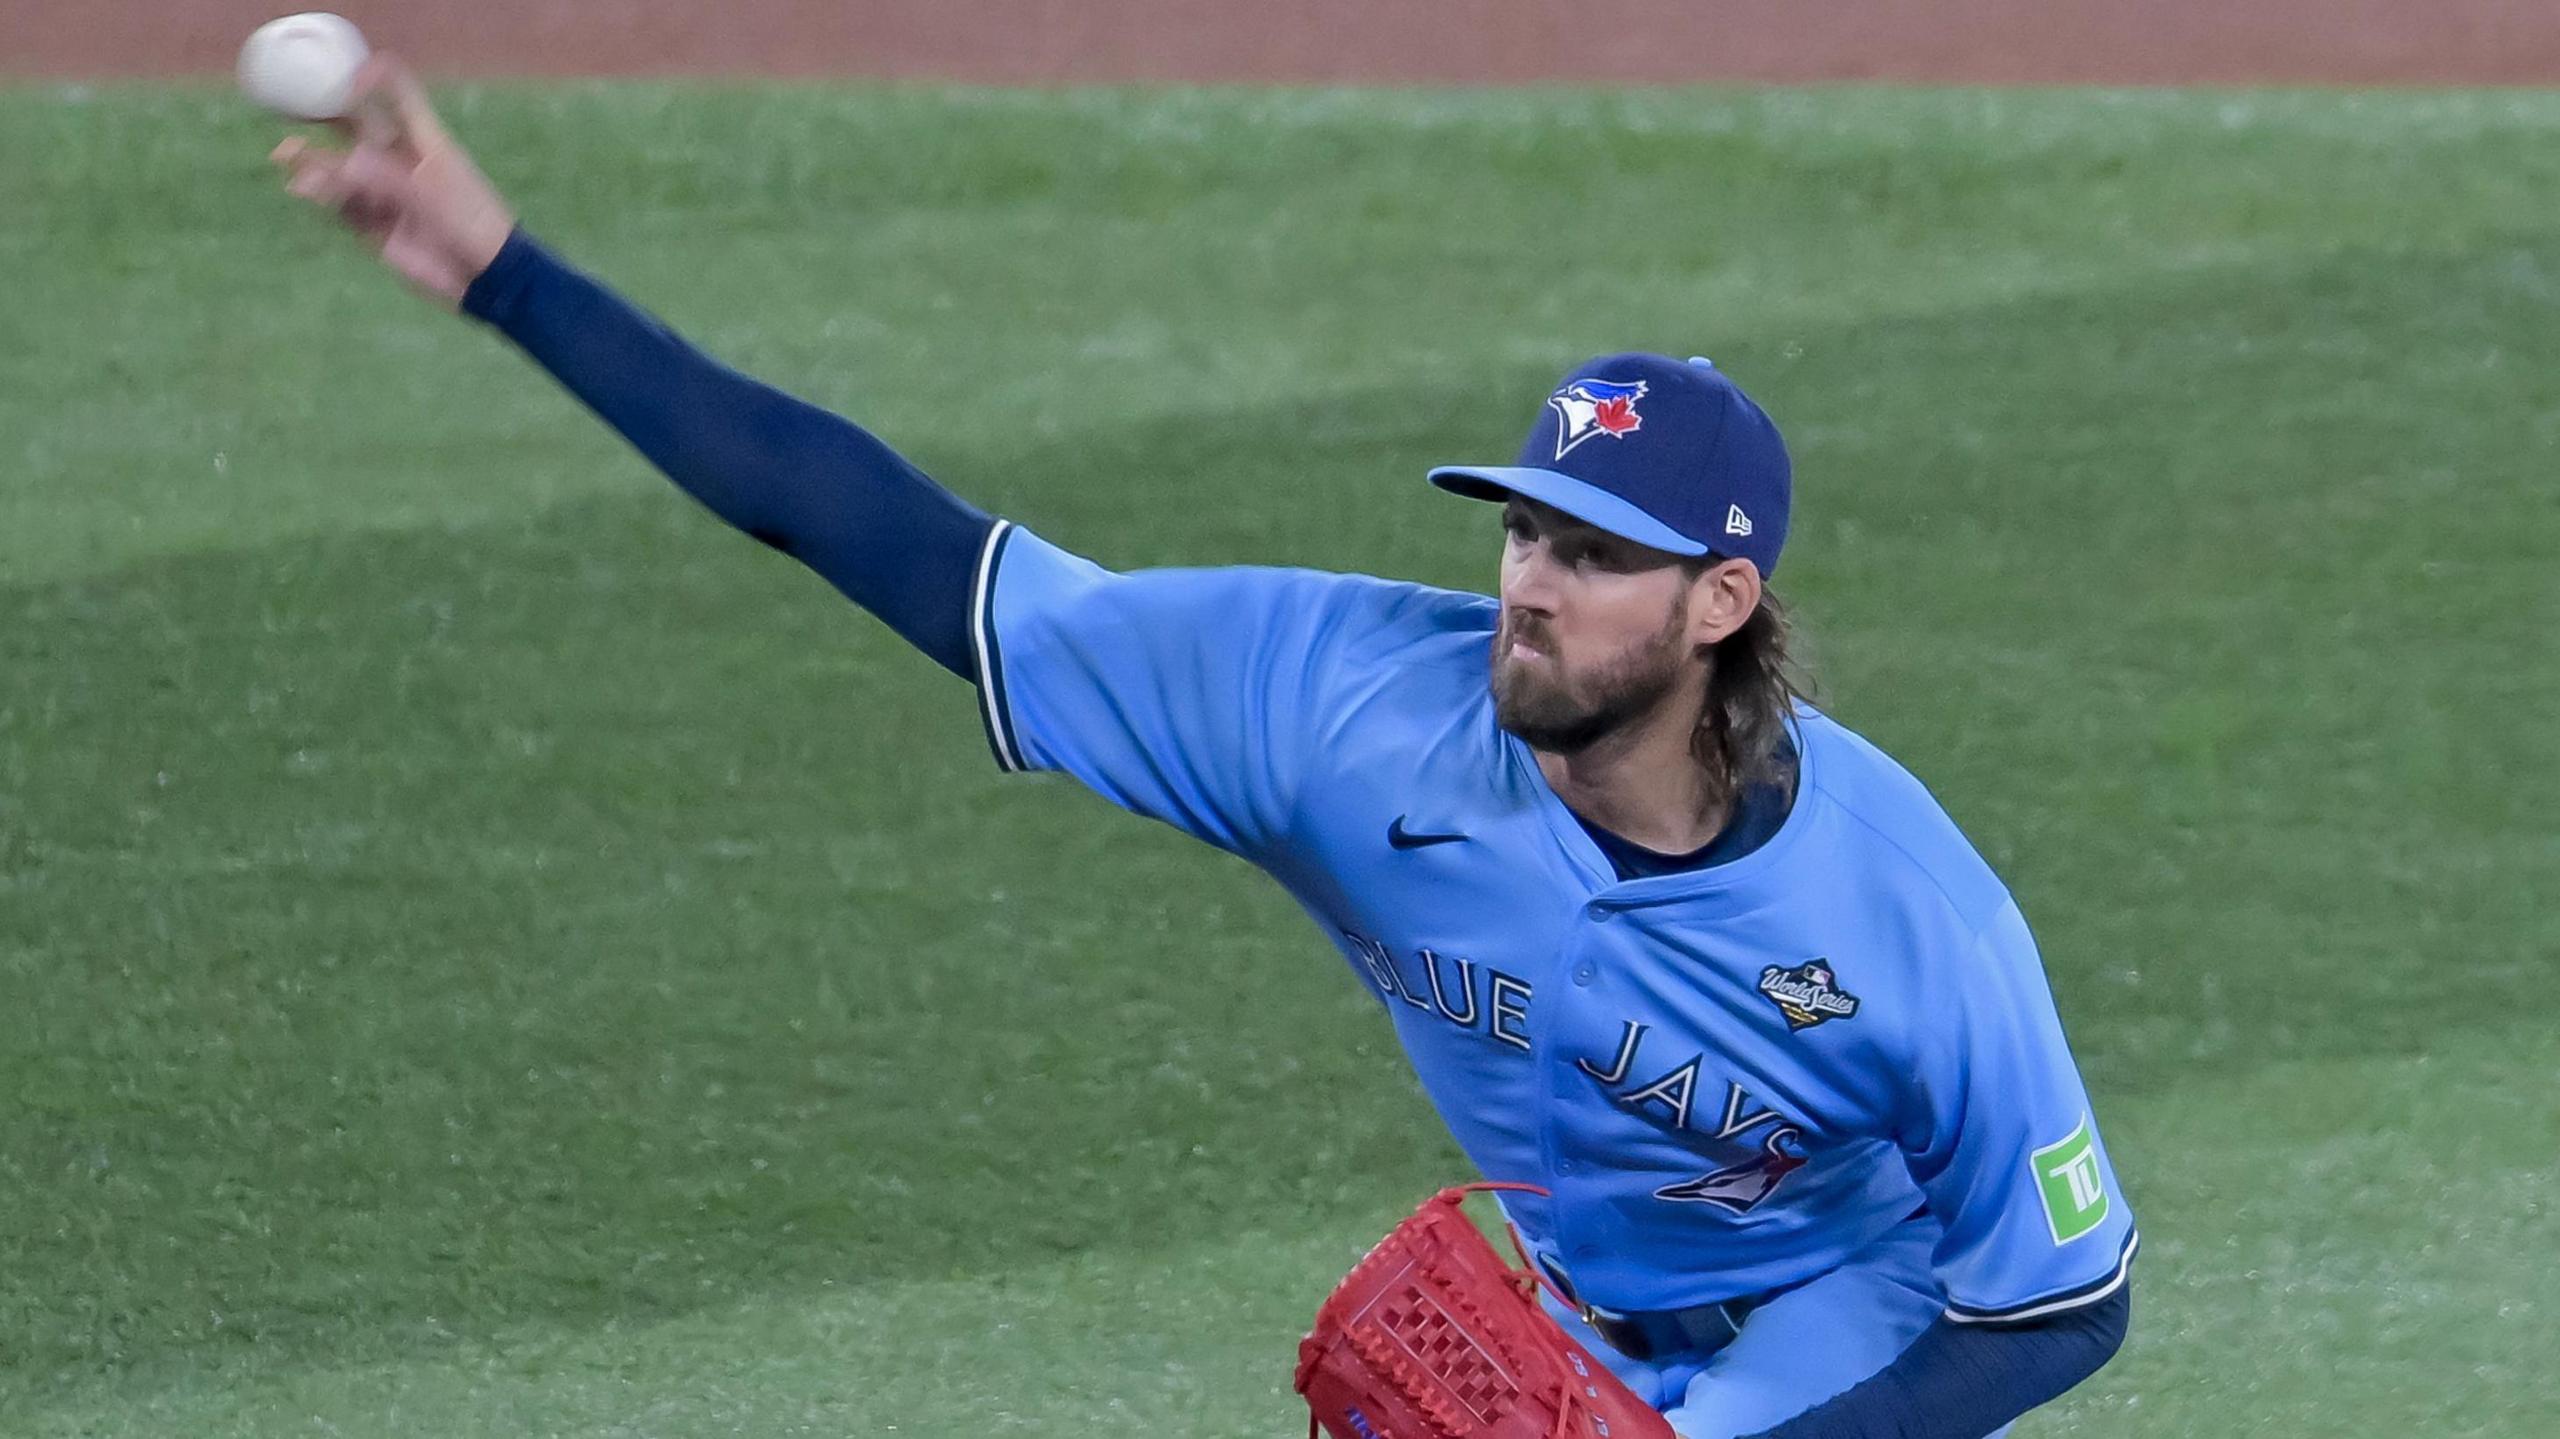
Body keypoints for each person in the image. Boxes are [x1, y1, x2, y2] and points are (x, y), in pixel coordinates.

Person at [269, 57, 2137, 1439]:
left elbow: (2062, 1303)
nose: (1528, 588)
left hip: (1845, 1324)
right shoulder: (1344, 709)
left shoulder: (1908, 919)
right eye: (1522, 532)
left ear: (1719, 605)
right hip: (1564, 1321)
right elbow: (913, 554)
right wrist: (503, 269)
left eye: (1591, 556)